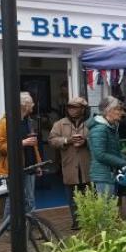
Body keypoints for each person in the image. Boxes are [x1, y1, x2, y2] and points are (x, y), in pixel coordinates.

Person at [0, 91, 42, 218]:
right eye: (31, 102)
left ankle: (30, 226)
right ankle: (9, 226)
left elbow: (33, 145)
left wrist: (38, 164)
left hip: (30, 166)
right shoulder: (6, 122)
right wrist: (21, 143)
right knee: (14, 198)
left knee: (30, 199)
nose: (33, 105)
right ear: (25, 105)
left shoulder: (28, 121)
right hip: (13, 167)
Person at [49, 96, 90, 230]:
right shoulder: (60, 124)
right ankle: (76, 221)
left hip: (87, 165)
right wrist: (67, 140)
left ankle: (89, 220)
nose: (71, 110)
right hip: (70, 165)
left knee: (88, 194)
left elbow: (98, 140)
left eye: (75, 107)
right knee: (72, 196)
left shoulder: (90, 123)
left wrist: (86, 142)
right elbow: (52, 140)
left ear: (83, 109)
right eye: (69, 107)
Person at [87, 96, 126, 197]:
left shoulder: (110, 127)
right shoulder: (100, 129)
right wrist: (123, 163)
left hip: (109, 175)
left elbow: (112, 151)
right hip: (103, 177)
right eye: (118, 109)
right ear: (108, 111)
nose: (121, 112)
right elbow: (100, 155)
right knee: (106, 210)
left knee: (110, 209)